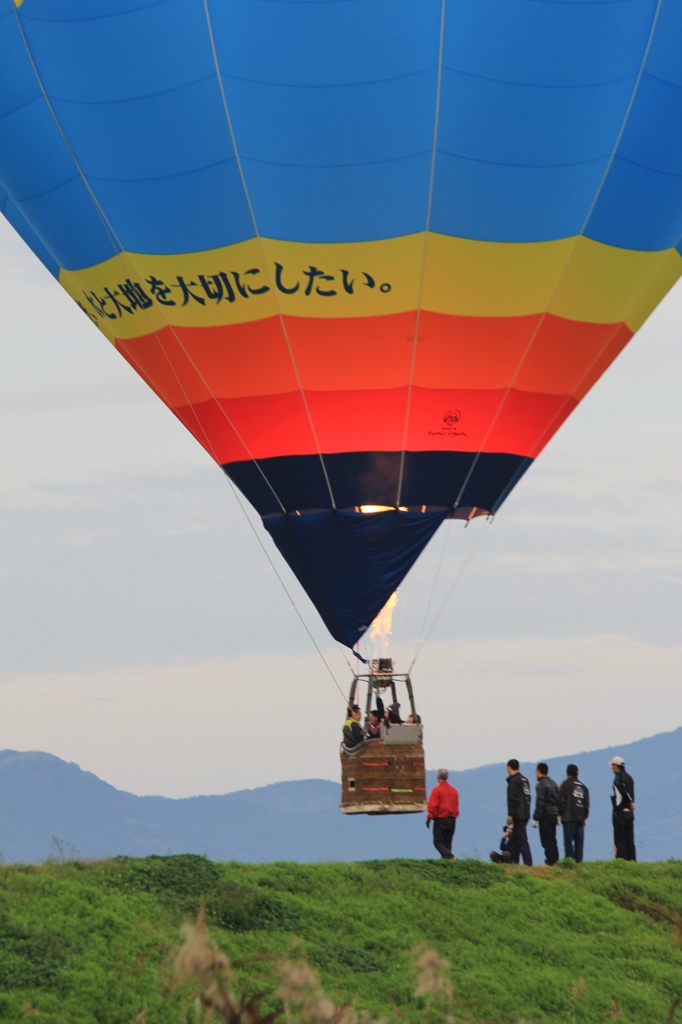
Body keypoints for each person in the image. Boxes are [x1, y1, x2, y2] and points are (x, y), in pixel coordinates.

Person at [557, 764, 589, 862]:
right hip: (580, 819)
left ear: (567, 774)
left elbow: (561, 802)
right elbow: (586, 805)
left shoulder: (565, 785)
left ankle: (570, 863)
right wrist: (584, 817)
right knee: (579, 843)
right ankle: (578, 862)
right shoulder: (584, 787)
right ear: (577, 774)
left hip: (568, 819)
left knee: (568, 842)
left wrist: (559, 814)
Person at [426, 768, 459, 860]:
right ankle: (446, 863)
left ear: (438, 777)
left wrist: (429, 818)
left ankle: (452, 857)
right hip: (452, 820)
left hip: (441, 820)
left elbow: (432, 806)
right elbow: (456, 805)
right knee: (447, 844)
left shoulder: (437, 790)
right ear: (447, 777)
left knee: (438, 842)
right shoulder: (454, 790)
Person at [532, 762, 560, 866]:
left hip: (545, 816)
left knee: (546, 841)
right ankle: (555, 860)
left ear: (539, 772)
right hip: (554, 815)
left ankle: (550, 861)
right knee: (553, 839)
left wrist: (535, 818)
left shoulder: (540, 785)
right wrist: (558, 815)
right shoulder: (554, 783)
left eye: (536, 771)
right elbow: (558, 801)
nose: (535, 773)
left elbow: (540, 803)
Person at [609, 755, 636, 861]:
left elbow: (623, 791)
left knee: (620, 839)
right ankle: (632, 861)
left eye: (612, 765)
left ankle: (621, 861)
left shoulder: (618, 779)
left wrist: (630, 802)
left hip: (621, 813)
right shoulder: (629, 777)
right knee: (630, 839)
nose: (611, 768)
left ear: (616, 766)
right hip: (629, 813)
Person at [506, 759, 533, 866]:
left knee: (522, 840)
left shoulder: (514, 781)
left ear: (509, 767)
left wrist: (510, 814)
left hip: (518, 815)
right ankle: (514, 862)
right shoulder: (525, 780)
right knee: (515, 840)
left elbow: (512, 799)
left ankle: (528, 863)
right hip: (525, 813)